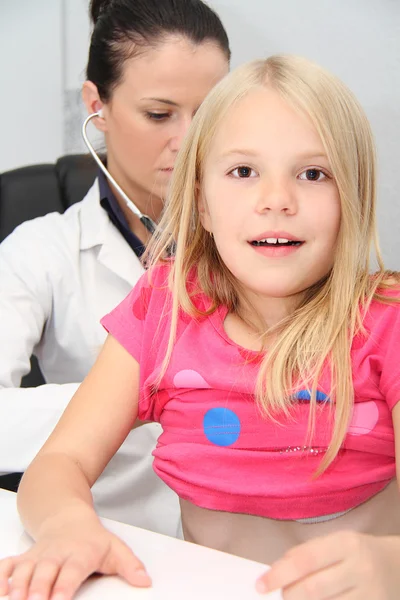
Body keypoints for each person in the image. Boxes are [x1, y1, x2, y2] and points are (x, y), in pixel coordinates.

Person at [2, 53, 400, 600]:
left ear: (353, 198)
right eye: (243, 172)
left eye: (313, 173)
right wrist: (66, 524)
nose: (277, 201)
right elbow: (60, 463)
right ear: (202, 203)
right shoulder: (163, 313)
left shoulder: (389, 323)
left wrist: (390, 563)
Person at [0, 0, 230, 535]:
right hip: (111, 542)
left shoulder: (270, 240)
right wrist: (119, 400)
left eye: (211, 112)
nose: (190, 141)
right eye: (159, 114)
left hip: (247, 552)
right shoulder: (41, 252)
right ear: (97, 106)